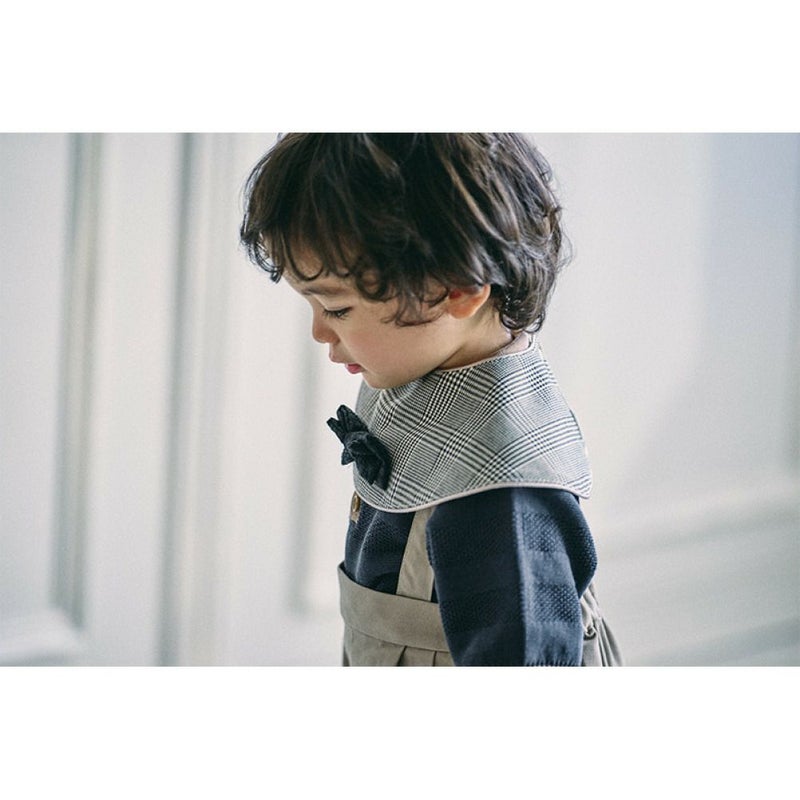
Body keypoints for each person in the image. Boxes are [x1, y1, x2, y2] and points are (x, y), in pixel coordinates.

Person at [240, 133, 623, 666]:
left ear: (456, 288)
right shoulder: (421, 368)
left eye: (338, 309)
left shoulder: (501, 488)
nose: (319, 332)